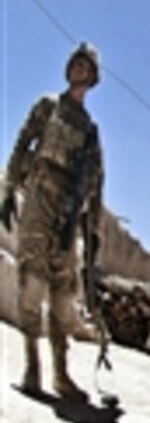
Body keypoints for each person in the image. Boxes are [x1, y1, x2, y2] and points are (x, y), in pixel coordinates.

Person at [1, 43, 105, 403]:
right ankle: (32, 366)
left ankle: (61, 373)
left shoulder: (90, 130)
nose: (79, 69)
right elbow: (21, 145)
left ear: (93, 77)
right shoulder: (48, 106)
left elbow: (97, 181)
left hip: (69, 211)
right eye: (75, 63)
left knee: (63, 294)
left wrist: (91, 231)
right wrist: (8, 189)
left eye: (86, 66)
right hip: (39, 198)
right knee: (31, 279)